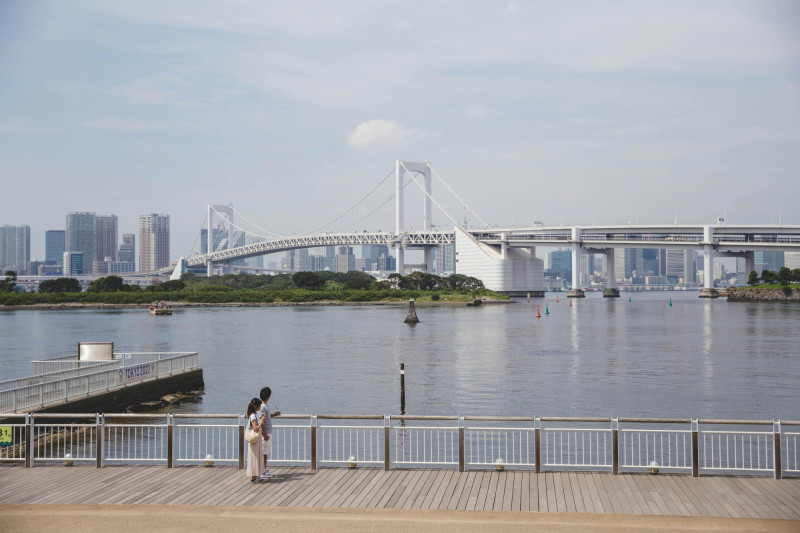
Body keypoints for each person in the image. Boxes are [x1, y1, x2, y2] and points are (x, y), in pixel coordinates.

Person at [258, 386, 281, 480]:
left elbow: (265, 417)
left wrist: (273, 415)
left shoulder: (265, 406)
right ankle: (262, 471)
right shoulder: (263, 407)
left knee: (266, 451)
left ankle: (264, 469)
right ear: (269, 396)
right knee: (264, 452)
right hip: (266, 432)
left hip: (267, 432)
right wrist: (264, 434)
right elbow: (261, 420)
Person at [246, 397, 266, 483]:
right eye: (259, 406)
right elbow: (255, 428)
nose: (260, 407)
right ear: (255, 406)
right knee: (254, 456)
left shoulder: (255, 414)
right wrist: (261, 421)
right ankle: (253, 477)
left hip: (257, 439)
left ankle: (256, 475)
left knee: (257, 456)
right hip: (254, 439)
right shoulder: (253, 416)